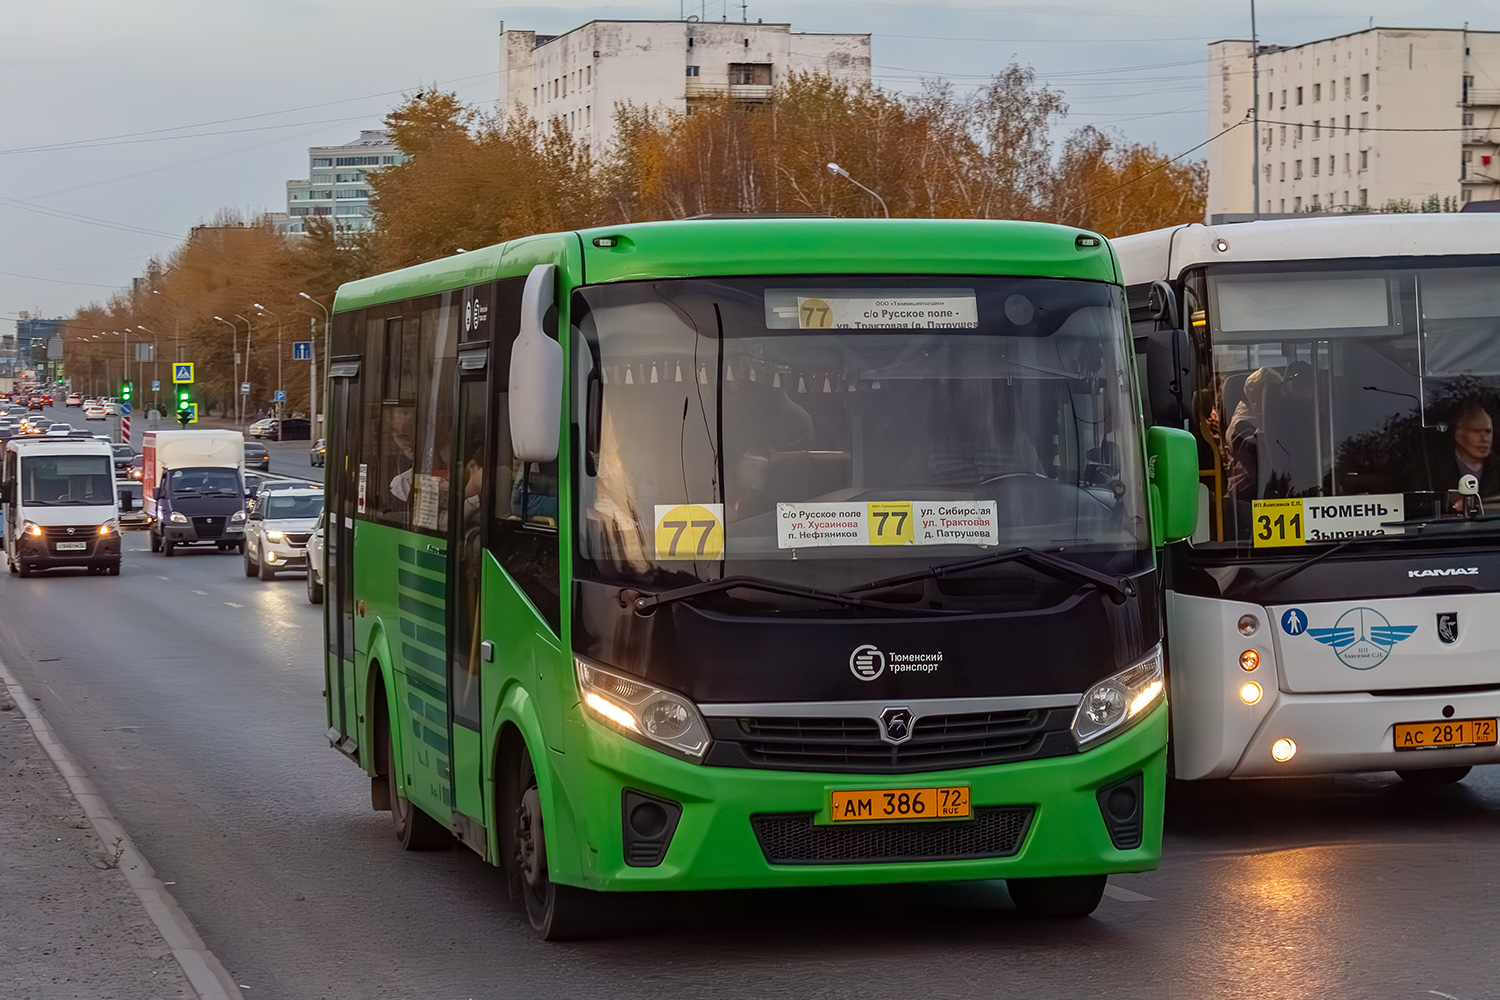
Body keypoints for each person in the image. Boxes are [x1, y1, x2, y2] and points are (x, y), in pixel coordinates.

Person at [1225, 366, 1281, 501]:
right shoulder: (1242, 429)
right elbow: (1265, 472)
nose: (1278, 400)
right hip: (1249, 495)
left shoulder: (1270, 417)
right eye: (1273, 394)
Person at [1432, 400, 1500, 499]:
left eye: (1488, 431)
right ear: (1458, 434)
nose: (1485, 438)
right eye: (1476, 431)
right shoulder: (1435, 469)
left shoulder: (1497, 467)